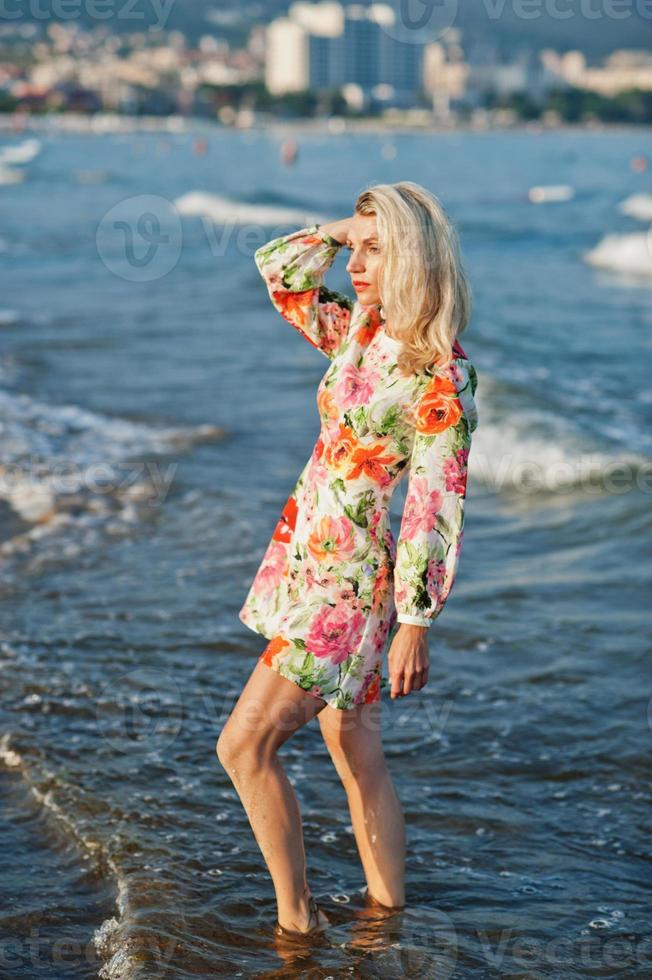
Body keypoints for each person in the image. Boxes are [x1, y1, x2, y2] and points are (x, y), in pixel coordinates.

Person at [216, 180, 479, 939]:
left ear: (415, 258)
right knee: (350, 738)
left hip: (348, 581)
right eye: (357, 251)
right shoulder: (361, 328)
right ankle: (387, 913)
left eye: (378, 251)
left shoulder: (441, 375)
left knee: (244, 745)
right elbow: (280, 269)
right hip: (308, 553)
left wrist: (416, 620)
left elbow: (437, 501)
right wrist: (353, 226)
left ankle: (296, 926)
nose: (358, 265)